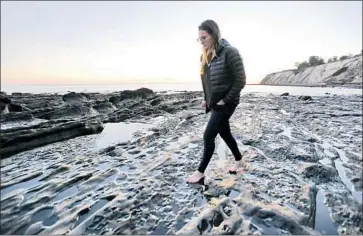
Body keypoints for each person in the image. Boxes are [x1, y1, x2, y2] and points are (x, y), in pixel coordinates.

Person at [186, 19, 246, 184]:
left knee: (208, 136)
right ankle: (239, 160)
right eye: (199, 39)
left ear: (214, 34)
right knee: (224, 132)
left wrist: (225, 100)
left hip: (227, 103)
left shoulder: (230, 52)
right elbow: (206, 81)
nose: (201, 41)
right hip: (215, 102)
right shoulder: (204, 55)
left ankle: (200, 172)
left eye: (204, 38)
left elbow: (240, 80)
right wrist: (207, 99)